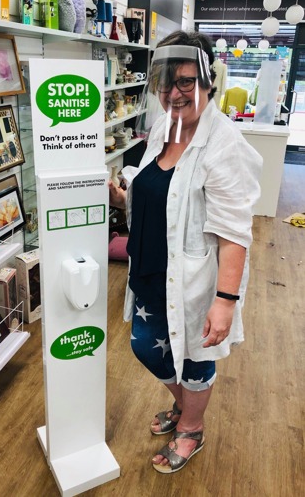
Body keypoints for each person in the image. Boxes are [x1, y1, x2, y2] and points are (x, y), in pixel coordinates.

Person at [108, 30, 262, 474]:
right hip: (153, 267)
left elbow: (235, 232)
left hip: (197, 281)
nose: (173, 93)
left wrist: (225, 302)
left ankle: (191, 427)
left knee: (194, 360)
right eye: (165, 82)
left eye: (186, 82)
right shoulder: (163, 127)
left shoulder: (223, 144)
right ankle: (185, 408)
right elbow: (159, 191)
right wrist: (123, 200)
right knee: (148, 347)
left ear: (208, 82)